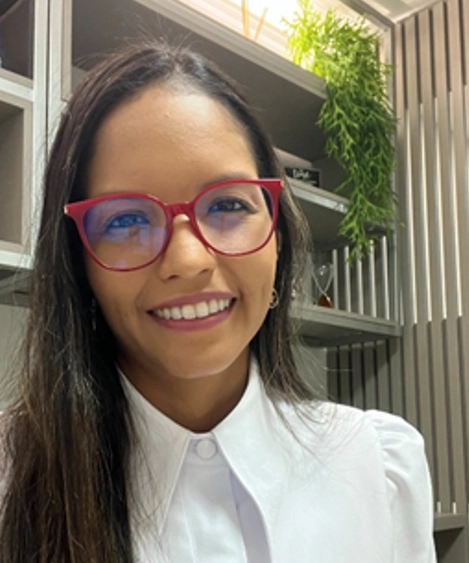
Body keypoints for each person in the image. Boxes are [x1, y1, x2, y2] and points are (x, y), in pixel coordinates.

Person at [0, 43, 436, 562]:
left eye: (228, 204)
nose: (187, 260)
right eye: (126, 219)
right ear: (79, 261)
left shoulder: (376, 468)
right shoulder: (11, 475)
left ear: (277, 237)